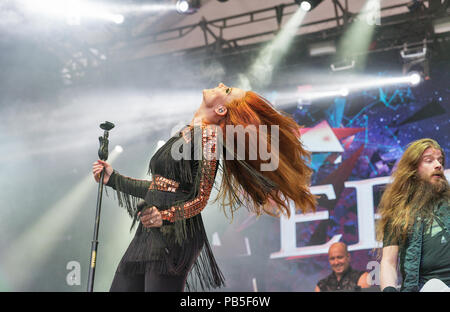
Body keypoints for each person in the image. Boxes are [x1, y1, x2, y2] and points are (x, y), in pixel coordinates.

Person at [92, 83, 317, 292]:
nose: (221, 85)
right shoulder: (187, 132)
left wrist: (166, 216)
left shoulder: (209, 137)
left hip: (176, 233)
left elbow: (201, 198)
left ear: (221, 110)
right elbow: (161, 188)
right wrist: (114, 179)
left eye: (227, 90)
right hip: (152, 230)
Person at [376, 138, 450, 292]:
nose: (438, 165)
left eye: (440, 160)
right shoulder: (398, 212)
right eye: (429, 160)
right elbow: (389, 262)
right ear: (413, 169)